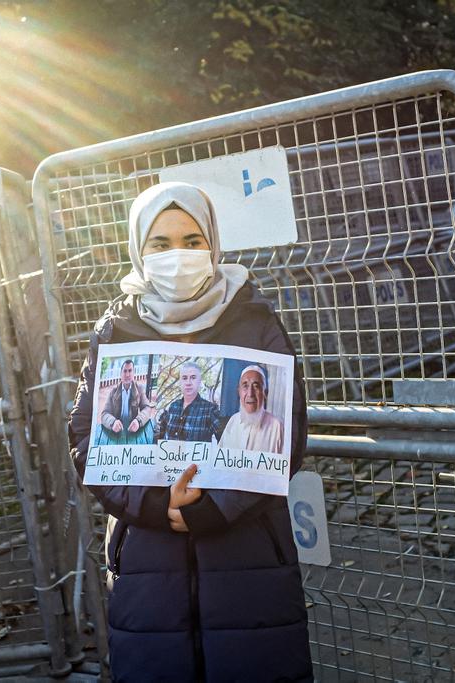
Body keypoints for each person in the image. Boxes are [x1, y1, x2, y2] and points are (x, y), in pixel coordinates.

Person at [69, 182, 311, 682]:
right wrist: (157, 505)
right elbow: (85, 437)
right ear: (138, 249)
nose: (177, 255)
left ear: (213, 245)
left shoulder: (256, 320)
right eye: (160, 243)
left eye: (192, 240)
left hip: (248, 556)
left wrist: (215, 507)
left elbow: (287, 435)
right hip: (148, 564)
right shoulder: (116, 330)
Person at [218, 364, 284, 453]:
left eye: (256, 386)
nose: (250, 394)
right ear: (239, 392)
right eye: (245, 386)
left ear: (265, 393)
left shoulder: (277, 427)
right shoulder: (233, 421)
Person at [154, 361, 222, 442]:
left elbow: (224, 440)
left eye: (193, 378)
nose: (188, 383)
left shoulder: (210, 409)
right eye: (184, 378)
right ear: (180, 382)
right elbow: (161, 435)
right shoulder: (173, 406)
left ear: (199, 381)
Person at [98, 359, 153, 444]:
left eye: (130, 371)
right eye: (125, 371)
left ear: (133, 373)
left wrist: (138, 421)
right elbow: (104, 414)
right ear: (121, 374)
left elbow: (147, 408)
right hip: (116, 432)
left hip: (133, 430)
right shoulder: (113, 391)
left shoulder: (139, 389)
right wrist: (113, 423)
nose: (127, 374)